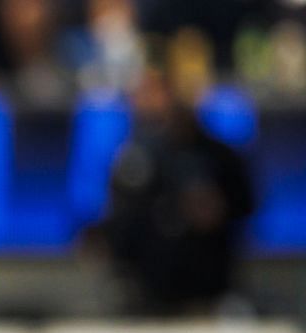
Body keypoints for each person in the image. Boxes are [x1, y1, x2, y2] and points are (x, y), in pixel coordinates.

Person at [92, 61, 256, 314]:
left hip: (210, 293)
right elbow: (120, 228)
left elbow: (246, 207)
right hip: (147, 298)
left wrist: (217, 210)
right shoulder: (135, 159)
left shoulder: (222, 157)